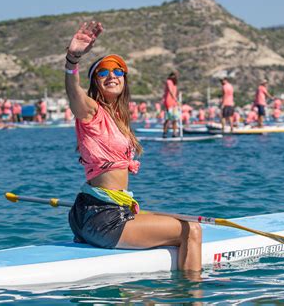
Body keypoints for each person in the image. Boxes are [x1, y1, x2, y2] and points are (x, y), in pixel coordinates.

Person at [64, 21, 202, 273]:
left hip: (102, 211)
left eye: (118, 71)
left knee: (179, 222)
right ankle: (193, 296)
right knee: (191, 230)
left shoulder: (119, 119)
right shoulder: (91, 111)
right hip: (102, 218)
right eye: (103, 72)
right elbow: (74, 93)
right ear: (95, 82)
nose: (111, 75)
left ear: (125, 80)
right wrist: (72, 60)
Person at [162, 71, 180, 138]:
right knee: (168, 118)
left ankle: (174, 133)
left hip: (174, 103)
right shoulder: (168, 81)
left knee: (175, 119)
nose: (176, 77)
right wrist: (176, 99)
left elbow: (175, 93)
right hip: (169, 102)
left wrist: (177, 100)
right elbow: (170, 91)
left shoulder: (175, 84)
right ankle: (164, 133)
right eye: (175, 75)